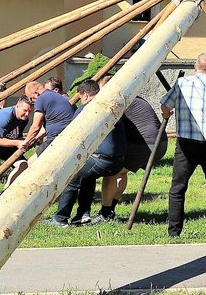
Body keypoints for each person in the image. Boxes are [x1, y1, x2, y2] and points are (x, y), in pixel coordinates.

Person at [161, 53, 206, 246]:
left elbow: (164, 106)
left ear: (195, 66)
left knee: (178, 188)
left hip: (185, 143)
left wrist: (169, 114)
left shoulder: (181, 84)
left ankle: (174, 232)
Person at [47, 80, 126, 227]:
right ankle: (82, 215)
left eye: (80, 97)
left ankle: (60, 219)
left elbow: (72, 135)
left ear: (84, 95)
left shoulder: (88, 108)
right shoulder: (109, 104)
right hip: (119, 160)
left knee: (71, 177)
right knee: (87, 177)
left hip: (102, 158)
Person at [97, 74, 162, 222]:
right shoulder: (133, 97)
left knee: (111, 173)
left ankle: (105, 214)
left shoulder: (118, 100)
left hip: (146, 145)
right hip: (158, 142)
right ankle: (111, 208)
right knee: (121, 173)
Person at [20, 77, 74, 156]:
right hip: (66, 133)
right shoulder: (54, 94)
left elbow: (36, 126)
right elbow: (52, 122)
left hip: (58, 137)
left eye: (31, 99)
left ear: (35, 93)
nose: (33, 102)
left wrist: (26, 142)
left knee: (34, 161)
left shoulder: (41, 98)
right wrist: (34, 138)